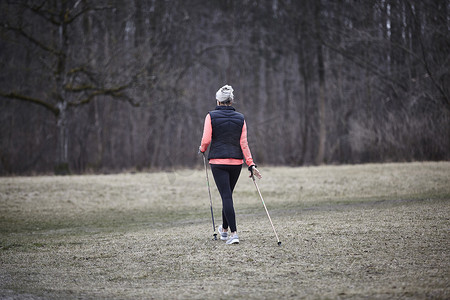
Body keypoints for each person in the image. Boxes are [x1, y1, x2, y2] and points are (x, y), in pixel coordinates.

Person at [199, 84, 262, 245]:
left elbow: (206, 140)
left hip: (218, 162)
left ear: (218, 101)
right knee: (227, 196)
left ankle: (234, 234)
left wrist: (202, 149)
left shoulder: (210, 116)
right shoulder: (240, 118)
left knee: (226, 196)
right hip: (236, 163)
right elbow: (244, 144)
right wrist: (251, 164)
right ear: (231, 101)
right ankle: (225, 231)